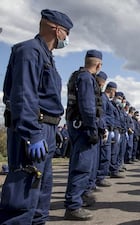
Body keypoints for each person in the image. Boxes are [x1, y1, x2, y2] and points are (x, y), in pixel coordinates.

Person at [0, 9, 73, 224]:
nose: (66, 39)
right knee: (23, 193)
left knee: (41, 192)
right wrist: (32, 133)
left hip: (46, 128)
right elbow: (23, 95)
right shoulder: (29, 51)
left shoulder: (45, 55)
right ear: (57, 30)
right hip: (33, 128)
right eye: (66, 33)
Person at [64, 49, 103, 220]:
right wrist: (92, 129)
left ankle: (79, 197)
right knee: (82, 166)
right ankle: (73, 205)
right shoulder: (87, 78)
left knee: (80, 164)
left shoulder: (77, 75)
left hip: (77, 125)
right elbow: (88, 107)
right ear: (99, 65)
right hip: (84, 127)